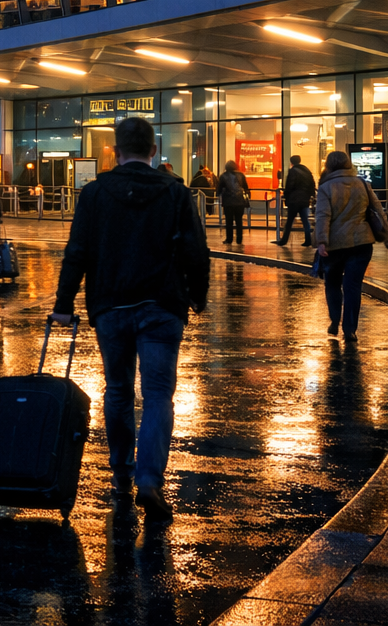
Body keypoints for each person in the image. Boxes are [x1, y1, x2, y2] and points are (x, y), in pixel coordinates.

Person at [53, 117, 210, 522]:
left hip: (111, 305)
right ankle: (150, 480)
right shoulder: (176, 192)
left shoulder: (94, 192)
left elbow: (77, 250)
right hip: (162, 305)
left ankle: (121, 474)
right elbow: (196, 250)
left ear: (116, 151)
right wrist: (198, 295)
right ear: (153, 151)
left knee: (119, 390)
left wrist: (64, 303)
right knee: (158, 395)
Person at [316, 151, 388, 340]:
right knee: (353, 286)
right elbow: (378, 212)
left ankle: (335, 320)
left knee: (333, 283)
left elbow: (322, 216)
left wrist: (321, 241)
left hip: (334, 245)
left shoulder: (326, 187)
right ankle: (350, 329)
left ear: (328, 166)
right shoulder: (362, 184)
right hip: (361, 242)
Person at [275, 154, 316, 247]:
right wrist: (311, 195)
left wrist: (286, 196)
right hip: (304, 199)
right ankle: (308, 239)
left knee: (290, 221)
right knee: (305, 220)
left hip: (294, 200)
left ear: (291, 162)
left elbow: (290, 185)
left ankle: (284, 240)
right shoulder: (306, 171)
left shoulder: (293, 171)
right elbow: (312, 184)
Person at [215, 160, 250, 244]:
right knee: (239, 221)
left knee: (229, 221)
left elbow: (219, 189)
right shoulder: (241, 175)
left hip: (228, 202)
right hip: (239, 201)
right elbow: (245, 187)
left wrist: (218, 194)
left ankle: (229, 239)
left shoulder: (223, 176)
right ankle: (239, 239)